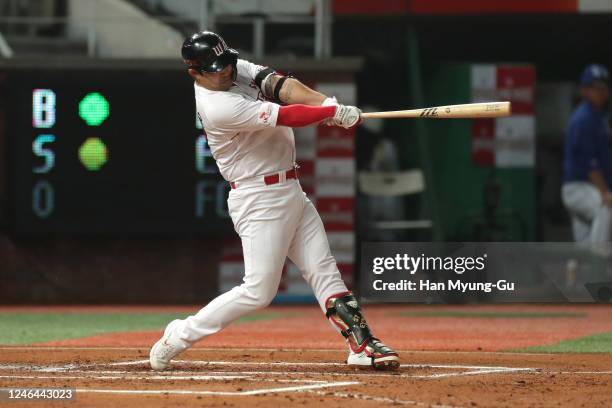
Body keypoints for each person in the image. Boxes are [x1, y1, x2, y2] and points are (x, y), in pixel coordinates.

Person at [149, 31, 399, 370]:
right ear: (195, 72)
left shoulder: (232, 68)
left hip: (290, 189)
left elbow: (280, 86)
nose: (226, 71)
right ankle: (178, 335)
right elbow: (287, 115)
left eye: (226, 63)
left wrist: (327, 105)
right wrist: (329, 114)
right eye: (216, 68)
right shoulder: (217, 106)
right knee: (258, 291)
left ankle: (362, 345)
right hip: (258, 198)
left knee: (325, 273)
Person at [562, 64, 612, 244]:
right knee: (605, 208)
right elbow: (590, 164)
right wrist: (605, 192)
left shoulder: (599, 117)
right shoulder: (584, 119)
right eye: (596, 87)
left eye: (604, 87)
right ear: (584, 90)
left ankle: (580, 270)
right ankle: (596, 265)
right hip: (579, 187)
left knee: (584, 241)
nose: (602, 92)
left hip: (588, 188)